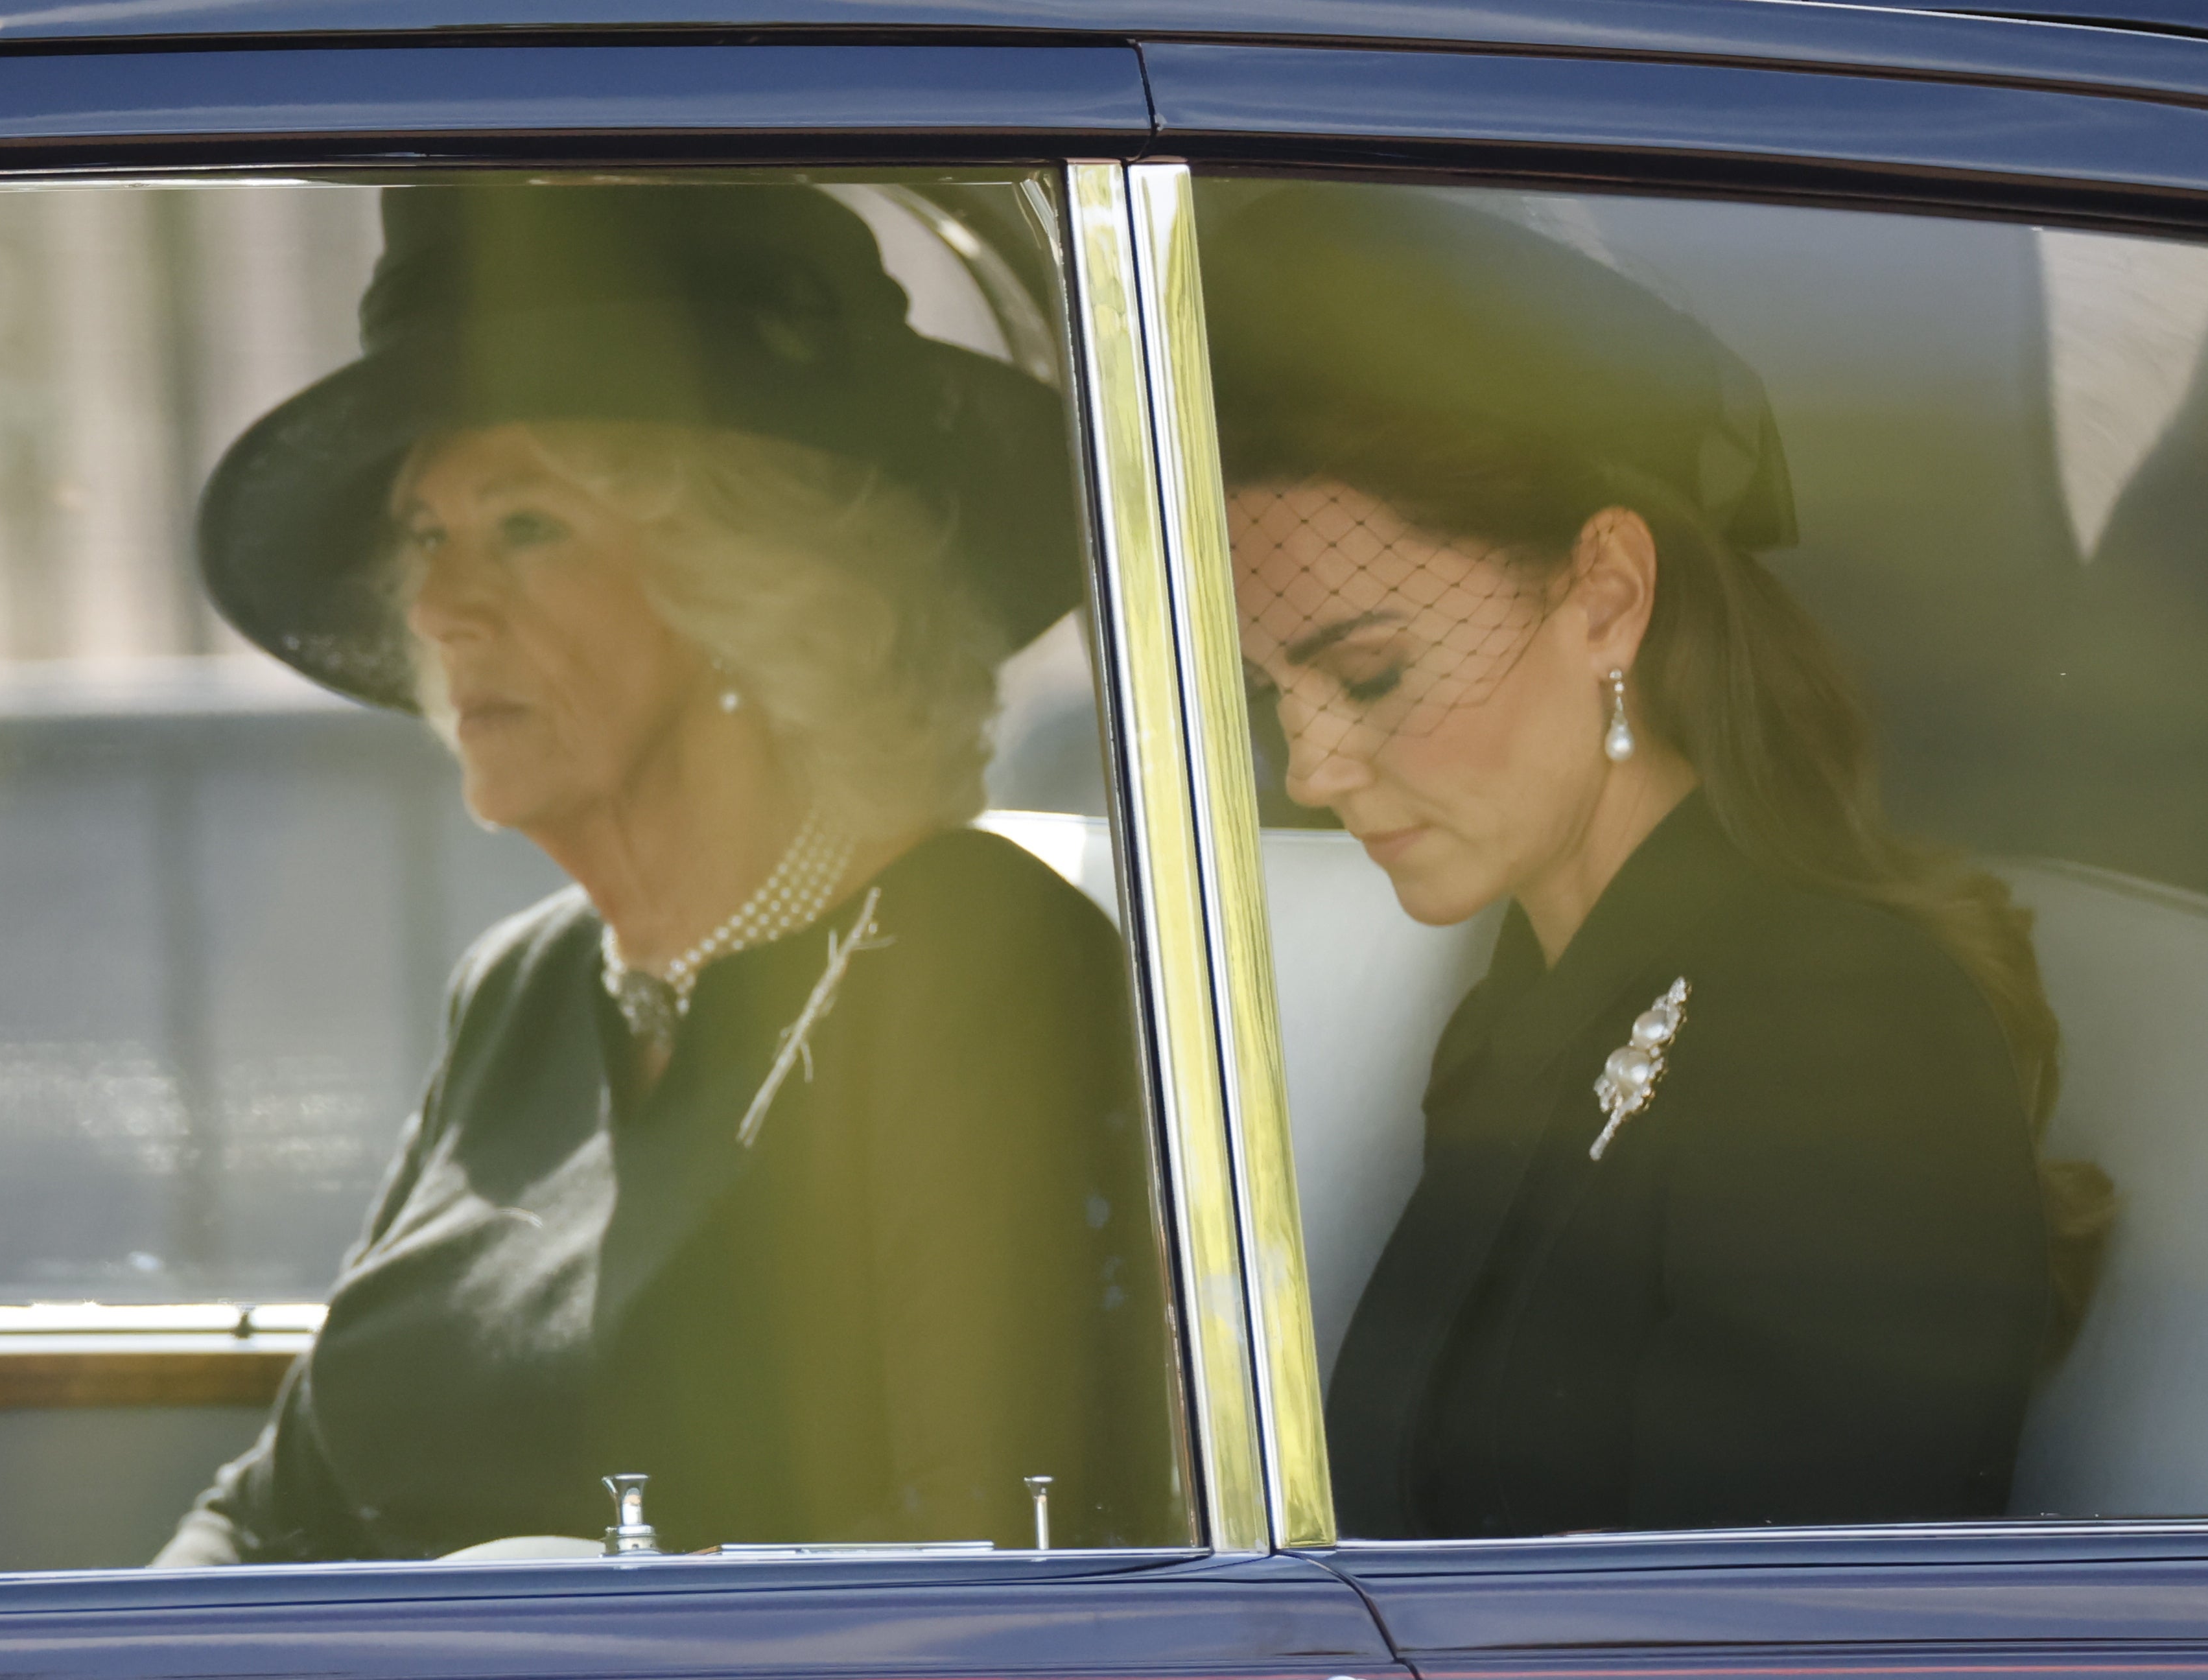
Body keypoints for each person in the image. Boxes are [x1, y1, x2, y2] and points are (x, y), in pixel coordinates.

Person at [153, 182, 1182, 1564]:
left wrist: (556, 1623)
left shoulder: (966, 958)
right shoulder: (518, 985)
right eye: (426, 535)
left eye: (525, 526)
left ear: (749, 591)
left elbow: (998, 1548)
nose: (443, 608)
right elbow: (264, 1517)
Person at [1201, 183, 2110, 1538]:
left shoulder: (1842, 1034)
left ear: (1606, 599)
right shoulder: (1521, 1000)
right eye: (1270, 691)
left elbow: (1789, 1627)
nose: (1309, 769)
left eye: (1371, 673)